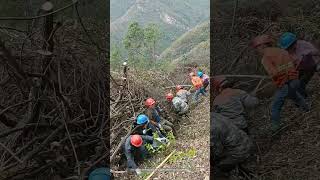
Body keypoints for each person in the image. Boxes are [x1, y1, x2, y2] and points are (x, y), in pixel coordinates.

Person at [251, 34, 310, 132]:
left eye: (257, 48)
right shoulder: (282, 51)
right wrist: (285, 69)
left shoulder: (265, 58)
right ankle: (307, 109)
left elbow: (274, 73)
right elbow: (294, 62)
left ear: (262, 46)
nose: (257, 51)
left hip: (284, 83)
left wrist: (272, 76)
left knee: (275, 106)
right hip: (295, 80)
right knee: (295, 96)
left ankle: (275, 127)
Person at [211, 112, 254, 178]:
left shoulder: (211, 128)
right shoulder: (212, 114)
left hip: (241, 150)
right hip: (245, 139)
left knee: (217, 168)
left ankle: (238, 173)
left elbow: (217, 152)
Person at [278, 32, 320, 98]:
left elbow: (317, 52)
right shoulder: (286, 52)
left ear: (295, 43)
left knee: (301, 84)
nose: (288, 50)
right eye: (287, 49)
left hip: (311, 66)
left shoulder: (303, 44)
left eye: (289, 47)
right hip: (300, 69)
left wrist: (307, 53)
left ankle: (305, 99)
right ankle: (303, 98)